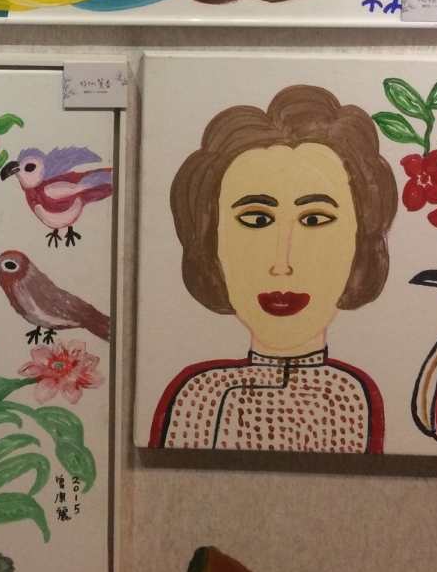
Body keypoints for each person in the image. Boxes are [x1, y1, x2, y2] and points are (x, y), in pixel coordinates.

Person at [150, 84, 397, 452]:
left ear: (361, 240)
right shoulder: (200, 395)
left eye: (314, 219)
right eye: (256, 220)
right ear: (210, 239)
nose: (282, 264)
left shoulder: (350, 396)